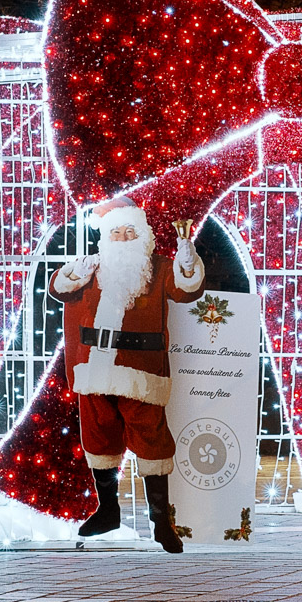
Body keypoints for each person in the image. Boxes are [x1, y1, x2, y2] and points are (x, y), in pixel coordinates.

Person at [51, 197, 204, 551]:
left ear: (143, 236)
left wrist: (187, 260)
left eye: (129, 231)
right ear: (106, 237)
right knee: (99, 437)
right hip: (94, 367)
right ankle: (108, 511)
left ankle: (161, 522)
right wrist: (72, 273)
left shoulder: (160, 268)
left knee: (152, 442)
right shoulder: (91, 267)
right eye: (116, 232)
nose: (122, 238)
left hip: (142, 371)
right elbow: (58, 288)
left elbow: (188, 288)